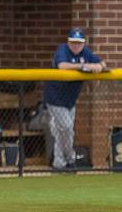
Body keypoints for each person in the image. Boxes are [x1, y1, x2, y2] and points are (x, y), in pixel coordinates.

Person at [43, 28, 106, 172]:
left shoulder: (86, 52)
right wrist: (83, 66)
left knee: (62, 131)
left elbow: (102, 63)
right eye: (73, 42)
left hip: (71, 99)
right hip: (55, 97)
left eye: (79, 43)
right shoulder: (63, 49)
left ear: (83, 43)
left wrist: (98, 66)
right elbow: (62, 66)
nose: (76, 46)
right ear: (68, 42)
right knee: (66, 128)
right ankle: (71, 158)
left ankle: (59, 163)